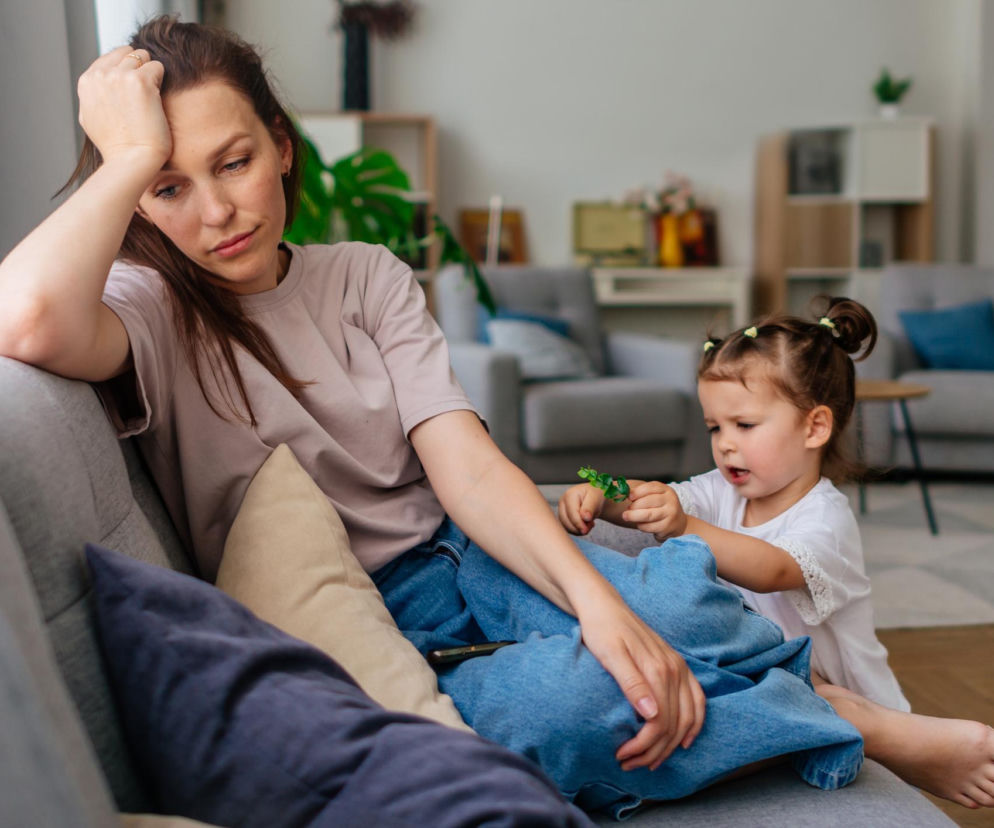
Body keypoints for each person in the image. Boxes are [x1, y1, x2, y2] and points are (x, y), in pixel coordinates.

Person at [0, 16, 869, 821]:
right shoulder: (149, 308)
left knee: (679, 600)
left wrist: (597, 605)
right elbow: (24, 321)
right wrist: (126, 157)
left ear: (282, 146)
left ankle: (792, 701)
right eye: (168, 186)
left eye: (233, 163)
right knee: (570, 704)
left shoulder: (364, 275)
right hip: (362, 620)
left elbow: (466, 467)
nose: (216, 212)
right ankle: (827, 718)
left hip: (467, 550)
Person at [558, 299, 994, 811]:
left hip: (830, 685)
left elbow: (771, 568)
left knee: (794, 698)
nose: (725, 444)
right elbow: (657, 499)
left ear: (814, 428)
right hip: (763, 667)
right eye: (715, 427)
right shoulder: (720, 490)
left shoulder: (826, 518)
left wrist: (684, 525)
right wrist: (605, 497)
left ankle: (887, 736)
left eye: (744, 425)